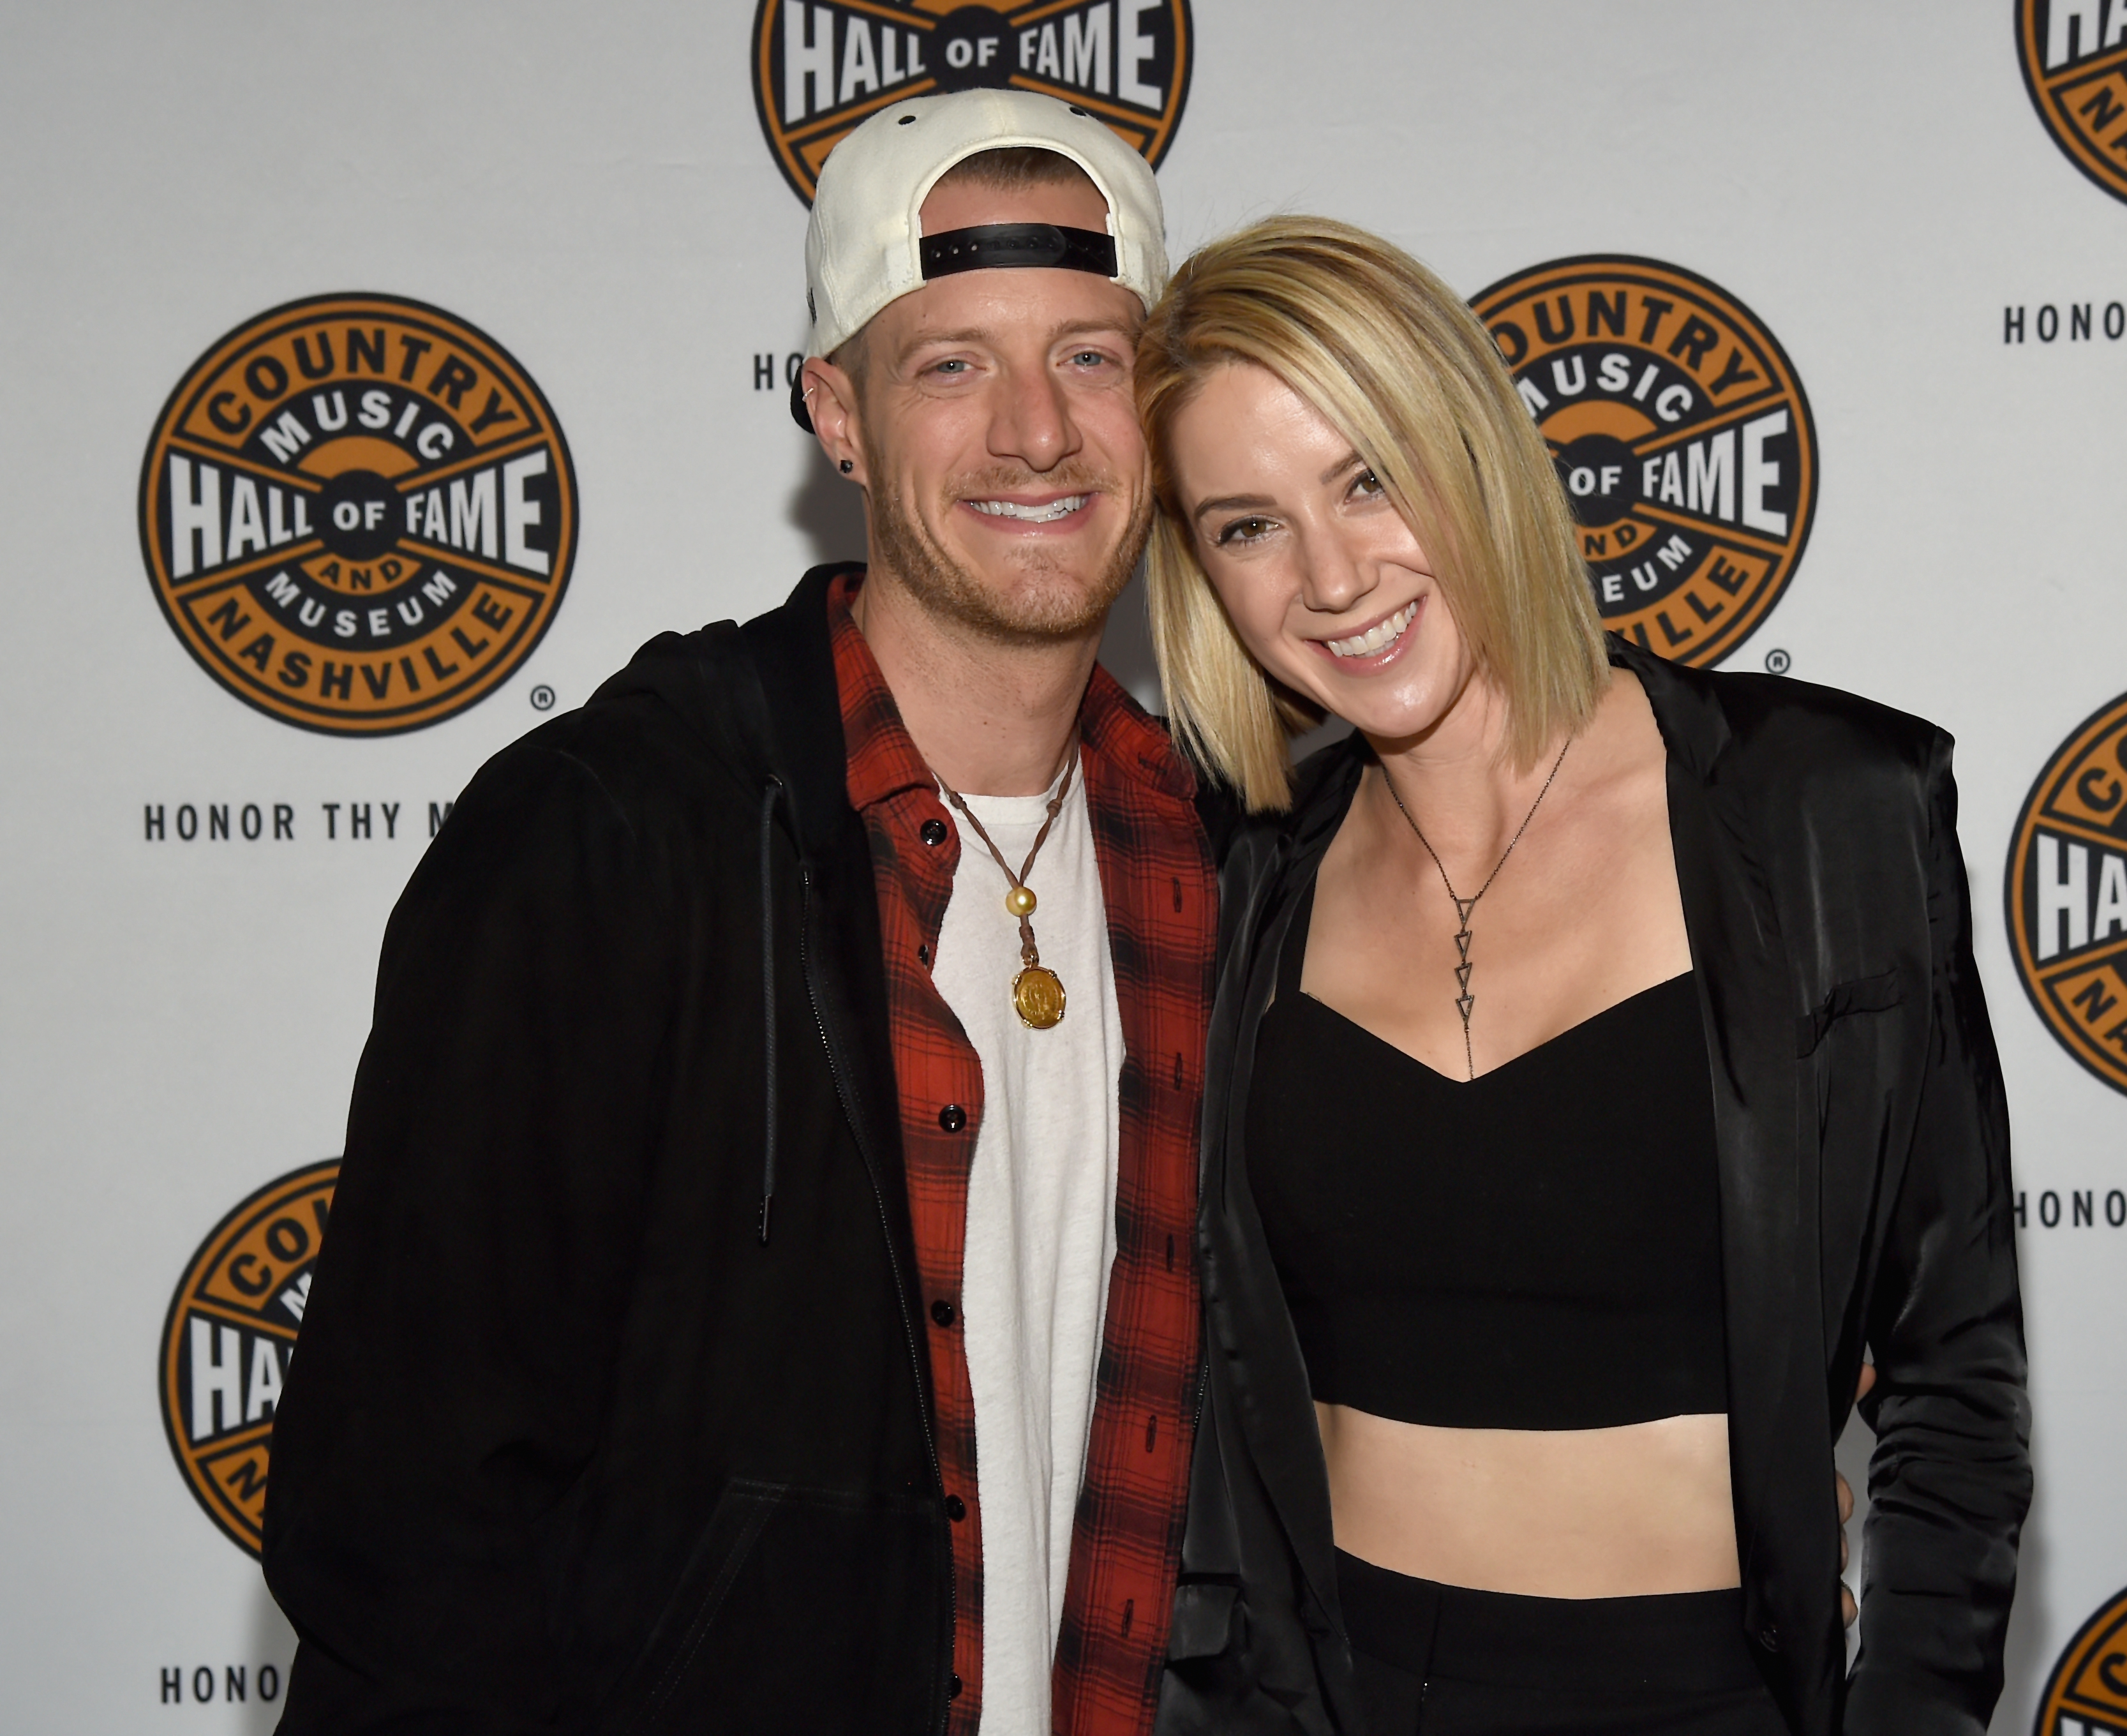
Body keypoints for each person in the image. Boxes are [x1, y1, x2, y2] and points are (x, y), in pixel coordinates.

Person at [260, 91, 1219, 1734]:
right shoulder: (613, 832)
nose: (1035, 433)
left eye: (1088, 356)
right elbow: (402, 1515)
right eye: (951, 365)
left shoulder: (1213, 849)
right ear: (835, 415)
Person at [1133, 217, 2031, 1736]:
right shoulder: (1235, 880)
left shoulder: (1823, 814)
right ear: (1199, 572)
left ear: (1475, 452)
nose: (1331, 575)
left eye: (1368, 478)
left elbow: (1951, 1382)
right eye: (1246, 525)